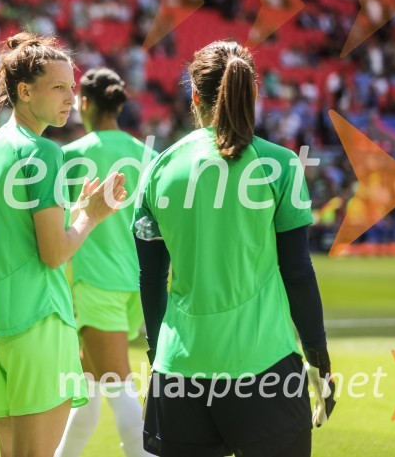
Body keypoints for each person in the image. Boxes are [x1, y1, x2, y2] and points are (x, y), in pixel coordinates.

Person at [133, 40, 335, 457]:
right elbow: (296, 271)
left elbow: (151, 278)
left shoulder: (160, 167)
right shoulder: (280, 164)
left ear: (194, 96)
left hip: (178, 373)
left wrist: (158, 355)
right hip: (266, 372)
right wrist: (318, 356)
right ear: (252, 92)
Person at [0, 32, 127, 457]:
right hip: (39, 321)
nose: (70, 98)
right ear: (24, 91)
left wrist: (76, 213)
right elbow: (54, 253)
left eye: (72, 88)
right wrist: (91, 214)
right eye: (58, 87)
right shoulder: (44, 152)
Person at [56, 68, 156, 457]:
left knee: (116, 385)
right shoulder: (150, 154)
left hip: (96, 280)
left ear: (84, 103)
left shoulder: (70, 155)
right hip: (141, 283)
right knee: (91, 380)